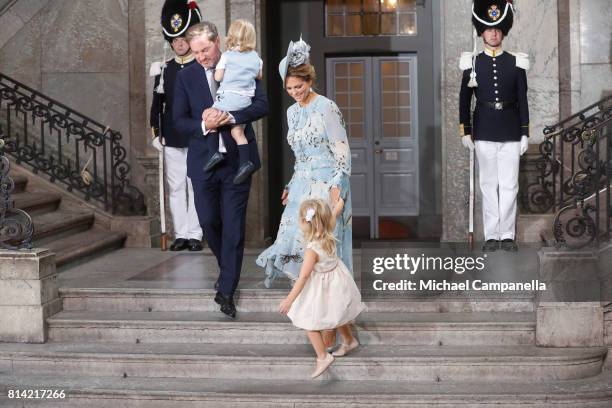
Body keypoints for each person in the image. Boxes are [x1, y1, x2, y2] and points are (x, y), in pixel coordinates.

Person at [256, 37, 352, 348]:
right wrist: (290, 185)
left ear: (309, 80)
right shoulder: (291, 113)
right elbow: (299, 155)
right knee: (297, 249)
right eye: (290, 89)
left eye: (299, 86)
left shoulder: (327, 107)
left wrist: (338, 186)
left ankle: (332, 329)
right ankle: (326, 321)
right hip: (302, 188)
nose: (295, 93)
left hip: (326, 187)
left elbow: (342, 151)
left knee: (325, 256)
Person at [173, 21, 268, 318]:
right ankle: (227, 269)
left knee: (235, 227)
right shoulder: (185, 76)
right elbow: (178, 121)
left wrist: (229, 117)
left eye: (204, 49)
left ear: (218, 43)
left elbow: (261, 105)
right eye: (195, 51)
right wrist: (204, 125)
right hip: (204, 163)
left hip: (238, 161)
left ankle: (226, 289)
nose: (200, 56)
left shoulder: (240, 61)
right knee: (210, 222)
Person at [459, 0, 529, 252]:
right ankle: (491, 236)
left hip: (510, 131)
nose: (494, 33)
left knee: (510, 185)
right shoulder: (472, 63)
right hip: (485, 130)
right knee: (488, 185)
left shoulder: (516, 62)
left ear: (503, 31)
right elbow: (464, 99)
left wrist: (524, 133)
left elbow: (522, 99)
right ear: (481, 31)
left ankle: (507, 235)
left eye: (498, 29)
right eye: (489, 29)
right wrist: (465, 130)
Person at [279, 198, 365, 379]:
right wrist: (338, 203)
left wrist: (289, 300)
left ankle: (323, 356)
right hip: (338, 282)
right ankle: (349, 340)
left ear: (306, 222)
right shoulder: (329, 230)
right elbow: (334, 213)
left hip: (322, 287)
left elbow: (302, 278)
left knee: (309, 322)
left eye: (301, 220)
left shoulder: (312, 250)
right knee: (338, 313)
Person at [149, 0, 203, 252]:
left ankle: (195, 233)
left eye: (182, 39)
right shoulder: (164, 69)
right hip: (171, 135)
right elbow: (156, 104)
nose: (178, 44)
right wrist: (156, 131)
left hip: (196, 133)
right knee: (176, 186)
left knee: (195, 184)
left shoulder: (201, 66)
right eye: (174, 41)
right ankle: (180, 234)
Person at [202, 19, 262, 185]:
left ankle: (214, 153)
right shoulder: (256, 57)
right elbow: (259, 76)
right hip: (245, 102)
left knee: (209, 118)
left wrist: (221, 76)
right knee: (238, 133)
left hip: (228, 99)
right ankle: (245, 162)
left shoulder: (227, 56)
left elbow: (218, 77)